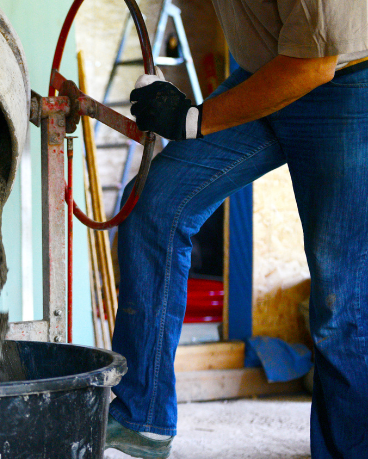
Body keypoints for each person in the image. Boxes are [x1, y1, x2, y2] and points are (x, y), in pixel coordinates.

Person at [104, 1, 368, 458]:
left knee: (341, 300)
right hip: (262, 73)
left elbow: (314, 62)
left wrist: (193, 120)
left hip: (343, 81)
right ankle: (141, 416)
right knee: (155, 204)